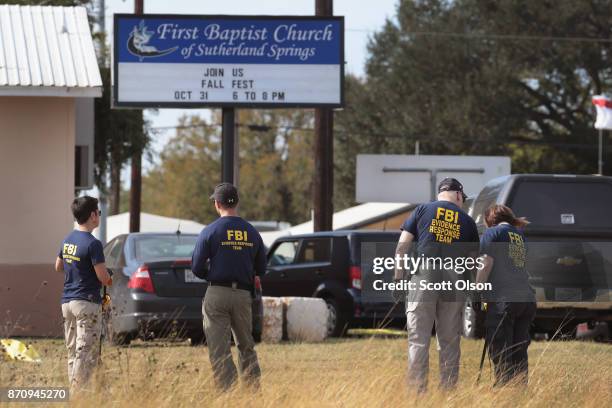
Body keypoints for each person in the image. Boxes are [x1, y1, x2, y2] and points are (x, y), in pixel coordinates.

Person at [394, 178, 479, 392]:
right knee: (450, 341)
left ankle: (417, 394)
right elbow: (473, 261)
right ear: (458, 195)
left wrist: (398, 279)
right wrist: (475, 292)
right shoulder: (467, 221)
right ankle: (448, 394)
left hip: (424, 275)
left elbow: (402, 247)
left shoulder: (422, 210)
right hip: (454, 278)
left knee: (418, 339)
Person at [192, 183, 265, 391]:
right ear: (237, 202)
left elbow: (196, 266)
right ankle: (252, 391)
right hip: (243, 294)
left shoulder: (210, 231)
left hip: (217, 292)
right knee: (246, 345)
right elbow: (262, 267)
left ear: (217, 204)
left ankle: (227, 393)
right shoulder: (252, 232)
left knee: (219, 347)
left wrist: (213, 276)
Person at [55, 196, 112, 392]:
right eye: (99, 213)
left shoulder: (67, 239)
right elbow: (104, 278)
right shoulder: (93, 243)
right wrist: (109, 277)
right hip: (86, 303)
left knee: (73, 350)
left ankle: (75, 390)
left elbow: (58, 266)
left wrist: (77, 270)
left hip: (67, 303)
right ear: (93, 215)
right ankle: (79, 395)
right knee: (85, 352)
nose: (99, 216)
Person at [477, 204, 536, 386]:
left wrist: (478, 288)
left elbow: (486, 263)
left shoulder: (492, 233)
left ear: (490, 220)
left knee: (500, 346)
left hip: (504, 299)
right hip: (525, 298)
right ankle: (519, 389)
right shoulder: (519, 236)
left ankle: (504, 389)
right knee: (519, 348)